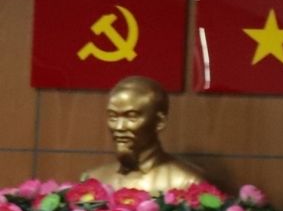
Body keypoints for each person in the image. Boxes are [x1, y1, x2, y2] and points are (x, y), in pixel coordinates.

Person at [79, 75, 211, 195]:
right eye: (113, 117)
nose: (119, 127)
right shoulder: (94, 180)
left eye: (131, 117)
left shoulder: (187, 182)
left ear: (159, 122)